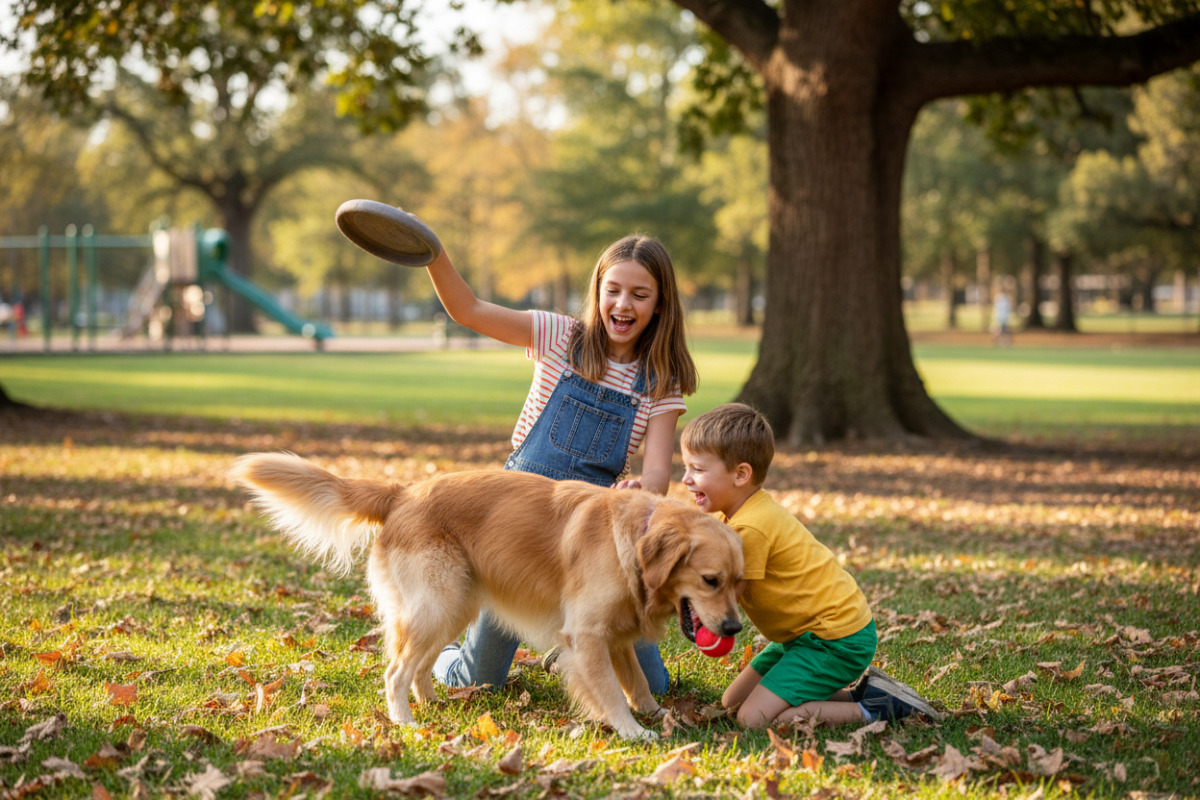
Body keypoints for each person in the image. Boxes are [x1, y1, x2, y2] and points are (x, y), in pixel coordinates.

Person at [427, 233, 698, 696]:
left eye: (639, 294)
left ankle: (567, 643)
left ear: (660, 304)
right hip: (518, 529)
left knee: (655, 685)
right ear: (596, 292)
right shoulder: (559, 336)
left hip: (592, 538)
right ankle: (447, 656)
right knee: (479, 682)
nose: (623, 304)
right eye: (612, 289)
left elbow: (657, 473)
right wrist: (432, 253)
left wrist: (642, 491)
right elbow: (467, 310)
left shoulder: (660, 381)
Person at [680, 403, 940, 728]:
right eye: (686, 467)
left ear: (741, 474)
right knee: (732, 702)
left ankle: (880, 708)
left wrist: (695, 610)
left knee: (752, 718)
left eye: (697, 469)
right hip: (799, 639)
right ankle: (863, 693)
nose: (686, 478)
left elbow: (726, 596)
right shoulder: (731, 516)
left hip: (833, 639)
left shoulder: (750, 528)